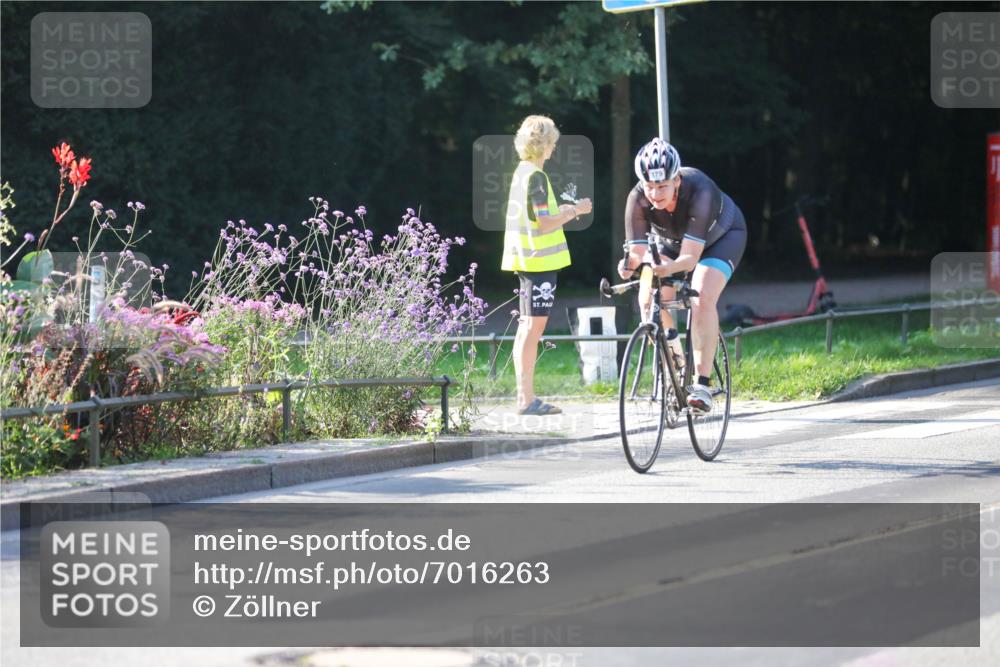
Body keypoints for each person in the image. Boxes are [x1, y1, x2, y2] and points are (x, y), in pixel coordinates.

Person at [618, 138, 747, 413]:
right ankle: (676, 359)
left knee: (700, 294)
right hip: (669, 242)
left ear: (676, 179)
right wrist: (629, 264)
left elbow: (689, 260)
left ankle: (701, 384)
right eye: (649, 186)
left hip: (720, 239)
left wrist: (663, 269)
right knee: (648, 300)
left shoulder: (700, 189)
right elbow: (638, 252)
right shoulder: (637, 198)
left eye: (662, 185)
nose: (654, 194)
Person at [501, 115, 593, 415]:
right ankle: (526, 400)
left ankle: (524, 398)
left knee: (526, 328)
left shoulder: (523, 173)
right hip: (538, 263)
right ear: (544, 146)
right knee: (532, 328)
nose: (553, 148)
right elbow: (543, 223)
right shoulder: (537, 177)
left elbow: (536, 217)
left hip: (527, 260)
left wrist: (563, 210)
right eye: (552, 143)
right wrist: (575, 211)